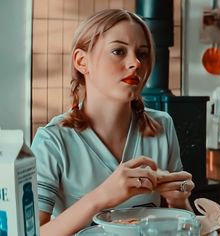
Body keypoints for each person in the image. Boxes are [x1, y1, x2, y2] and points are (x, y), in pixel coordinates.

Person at [31, 8, 195, 236]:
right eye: (118, 51)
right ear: (81, 61)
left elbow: (182, 224)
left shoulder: (162, 126)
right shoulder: (52, 140)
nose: (135, 63)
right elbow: (31, 233)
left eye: (143, 54)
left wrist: (179, 200)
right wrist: (102, 197)